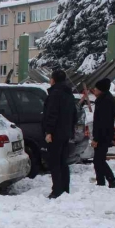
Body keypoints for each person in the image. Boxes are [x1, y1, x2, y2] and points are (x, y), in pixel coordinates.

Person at [42, 69, 78, 199]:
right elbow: (75, 114)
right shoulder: (69, 94)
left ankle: (57, 190)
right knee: (63, 161)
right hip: (66, 133)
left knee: (55, 162)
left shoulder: (55, 94)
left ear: (53, 80)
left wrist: (49, 132)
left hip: (55, 133)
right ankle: (65, 188)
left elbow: (52, 114)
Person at [91, 78, 115, 188]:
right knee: (98, 160)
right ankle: (100, 181)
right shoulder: (103, 99)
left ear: (101, 90)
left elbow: (102, 122)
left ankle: (111, 180)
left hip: (103, 135)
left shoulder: (105, 102)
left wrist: (96, 138)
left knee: (99, 160)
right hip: (104, 134)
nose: (94, 90)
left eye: (96, 88)